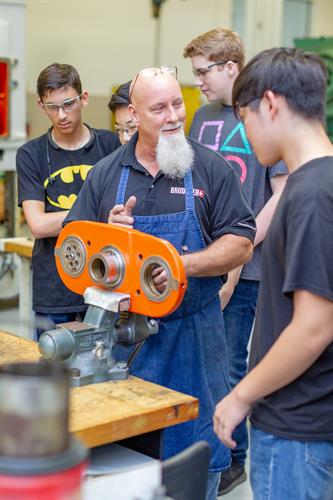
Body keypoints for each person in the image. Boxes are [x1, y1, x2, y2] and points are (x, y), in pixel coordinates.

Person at [65, 66, 256, 500]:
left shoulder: (211, 168)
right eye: (159, 107)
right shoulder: (107, 173)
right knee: (124, 465)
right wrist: (106, 236)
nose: (173, 116)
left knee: (193, 467)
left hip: (195, 342)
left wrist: (179, 265)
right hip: (123, 348)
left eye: (177, 103)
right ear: (133, 114)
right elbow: (74, 249)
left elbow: (241, 243)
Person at [214, 47, 333, 500]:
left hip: (296, 429)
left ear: (270, 104)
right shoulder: (314, 184)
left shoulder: (312, 195)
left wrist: (240, 395)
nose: (245, 136)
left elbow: (314, 326)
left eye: (244, 120)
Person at [183, 28, 288, 494]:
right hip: (205, 262)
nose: (199, 82)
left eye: (204, 71)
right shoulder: (201, 116)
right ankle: (206, 450)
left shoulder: (264, 115)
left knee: (232, 366)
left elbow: (280, 195)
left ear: (230, 68)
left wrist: (238, 249)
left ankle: (233, 460)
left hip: (251, 269)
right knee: (202, 364)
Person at [16, 63, 120, 338]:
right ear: (41, 105)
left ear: (83, 98)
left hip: (106, 282)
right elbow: (37, 225)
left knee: (105, 374)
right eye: (52, 107)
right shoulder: (31, 154)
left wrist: (61, 219)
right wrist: (98, 214)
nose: (61, 115)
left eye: (68, 104)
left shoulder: (111, 146)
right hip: (54, 287)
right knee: (54, 372)